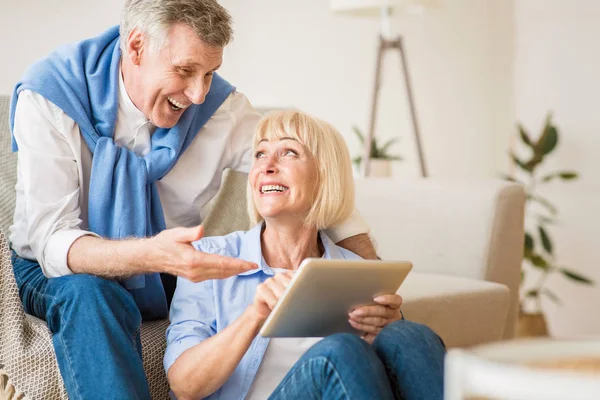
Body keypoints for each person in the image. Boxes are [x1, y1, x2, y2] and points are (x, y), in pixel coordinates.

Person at [8, 1, 377, 398]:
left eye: (210, 73)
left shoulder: (222, 111)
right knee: (92, 294)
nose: (198, 94)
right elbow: (52, 241)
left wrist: (372, 284)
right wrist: (151, 255)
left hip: (172, 265)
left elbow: (314, 179)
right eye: (185, 71)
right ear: (135, 47)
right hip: (58, 268)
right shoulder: (51, 95)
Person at [165, 110, 446, 400]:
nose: (267, 166)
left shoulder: (356, 273)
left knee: (409, 335)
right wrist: (255, 315)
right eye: (260, 154)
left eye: (288, 152)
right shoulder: (208, 258)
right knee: (339, 351)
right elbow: (184, 386)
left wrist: (385, 329)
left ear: (324, 176)